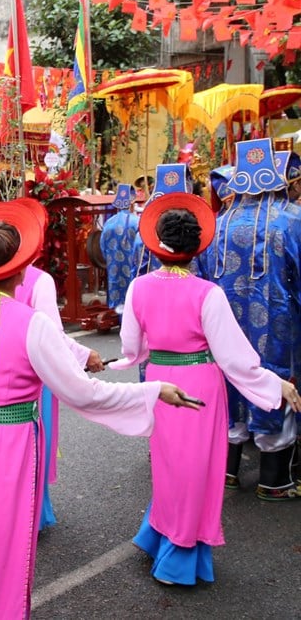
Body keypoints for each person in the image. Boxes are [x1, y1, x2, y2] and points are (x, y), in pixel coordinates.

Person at [0, 205, 199, 619]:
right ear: (23, 269)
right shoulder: (32, 324)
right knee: (6, 542)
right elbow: (84, 392)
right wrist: (152, 391)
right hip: (8, 445)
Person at [114, 192, 299, 585]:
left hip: (160, 385)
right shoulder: (207, 293)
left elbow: (132, 348)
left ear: (157, 242)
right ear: (197, 246)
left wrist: (141, 356)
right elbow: (233, 358)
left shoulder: (139, 288)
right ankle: (176, 557)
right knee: (196, 471)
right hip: (200, 387)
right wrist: (276, 383)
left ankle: (158, 534)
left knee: (168, 467)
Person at [201, 138, 301, 499]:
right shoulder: (292, 220)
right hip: (278, 326)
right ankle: (274, 481)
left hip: (225, 326)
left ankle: (228, 472)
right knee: (276, 382)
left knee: (232, 383)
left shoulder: (216, 224)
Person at [8, 197, 104, 532]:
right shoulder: (40, 280)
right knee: (32, 440)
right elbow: (50, 335)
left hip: (0, 374)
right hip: (35, 374)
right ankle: (33, 509)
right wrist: (85, 356)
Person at [99, 184, 141, 313]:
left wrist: (110, 259)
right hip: (133, 264)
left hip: (114, 265)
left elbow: (102, 246)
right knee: (133, 291)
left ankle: (119, 317)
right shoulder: (138, 221)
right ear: (132, 203)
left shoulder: (109, 222)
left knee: (116, 286)